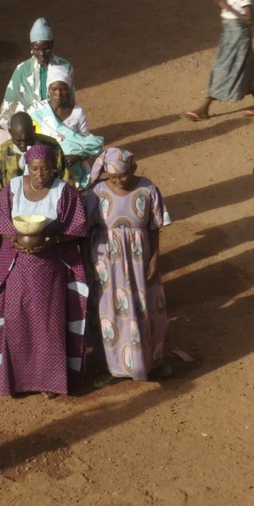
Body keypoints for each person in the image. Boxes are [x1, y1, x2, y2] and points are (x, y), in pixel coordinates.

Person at [0, 145, 91, 398]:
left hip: (50, 270)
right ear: (27, 168)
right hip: (17, 268)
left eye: (45, 169)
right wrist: (15, 238)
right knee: (17, 321)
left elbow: (78, 228)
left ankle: (50, 382)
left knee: (49, 325)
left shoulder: (64, 192)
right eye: (34, 169)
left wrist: (53, 241)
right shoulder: (13, 188)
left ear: (53, 167)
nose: (40, 174)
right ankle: (16, 380)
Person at [86, 147, 172, 385]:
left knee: (146, 308)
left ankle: (151, 362)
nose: (119, 180)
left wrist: (155, 258)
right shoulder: (97, 193)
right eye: (113, 177)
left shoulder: (147, 188)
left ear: (133, 168)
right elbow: (86, 232)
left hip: (140, 260)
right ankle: (114, 368)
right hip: (106, 263)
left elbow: (154, 227)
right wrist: (88, 264)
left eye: (123, 175)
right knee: (110, 313)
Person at [184, 0, 254, 120]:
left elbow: (250, 20)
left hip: (238, 37)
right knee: (246, 70)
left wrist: (226, 6)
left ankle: (203, 109)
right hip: (231, 35)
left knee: (222, 69)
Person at [0, 18, 73, 157]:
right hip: (29, 127)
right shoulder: (22, 69)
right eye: (36, 49)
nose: (42, 54)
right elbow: (11, 102)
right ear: (31, 47)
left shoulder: (64, 66)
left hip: (57, 125)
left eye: (46, 48)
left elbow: (69, 98)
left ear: (52, 43)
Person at [32, 76, 102, 187]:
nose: (58, 94)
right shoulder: (36, 111)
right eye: (54, 89)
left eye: (63, 89)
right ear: (48, 89)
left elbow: (87, 144)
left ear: (68, 90)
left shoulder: (78, 112)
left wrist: (77, 157)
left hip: (73, 171)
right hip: (45, 170)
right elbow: (30, 142)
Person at [0, 111, 59, 206]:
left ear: (34, 130)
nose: (23, 145)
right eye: (18, 141)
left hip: (49, 204)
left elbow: (65, 178)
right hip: (14, 208)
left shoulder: (51, 146)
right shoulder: (2, 153)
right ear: (10, 132)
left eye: (28, 139)